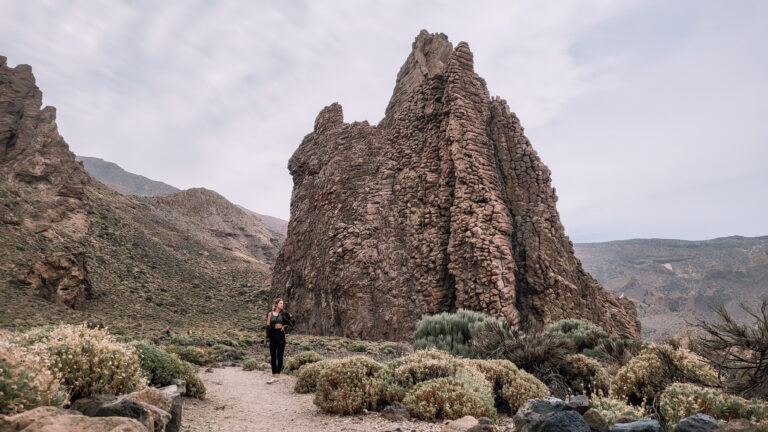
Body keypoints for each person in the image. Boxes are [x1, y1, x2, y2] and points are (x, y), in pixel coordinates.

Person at [265, 298, 287, 384]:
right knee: (273, 356)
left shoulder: (284, 314)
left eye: (282, 303)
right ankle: (273, 375)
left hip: (281, 336)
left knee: (280, 356)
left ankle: (277, 376)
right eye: (281, 303)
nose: (282, 305)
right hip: (272, 335)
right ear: (277, 304)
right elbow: (267, 326)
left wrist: (284, 327)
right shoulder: (270, 314)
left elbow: (291, 322)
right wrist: (267, 338)